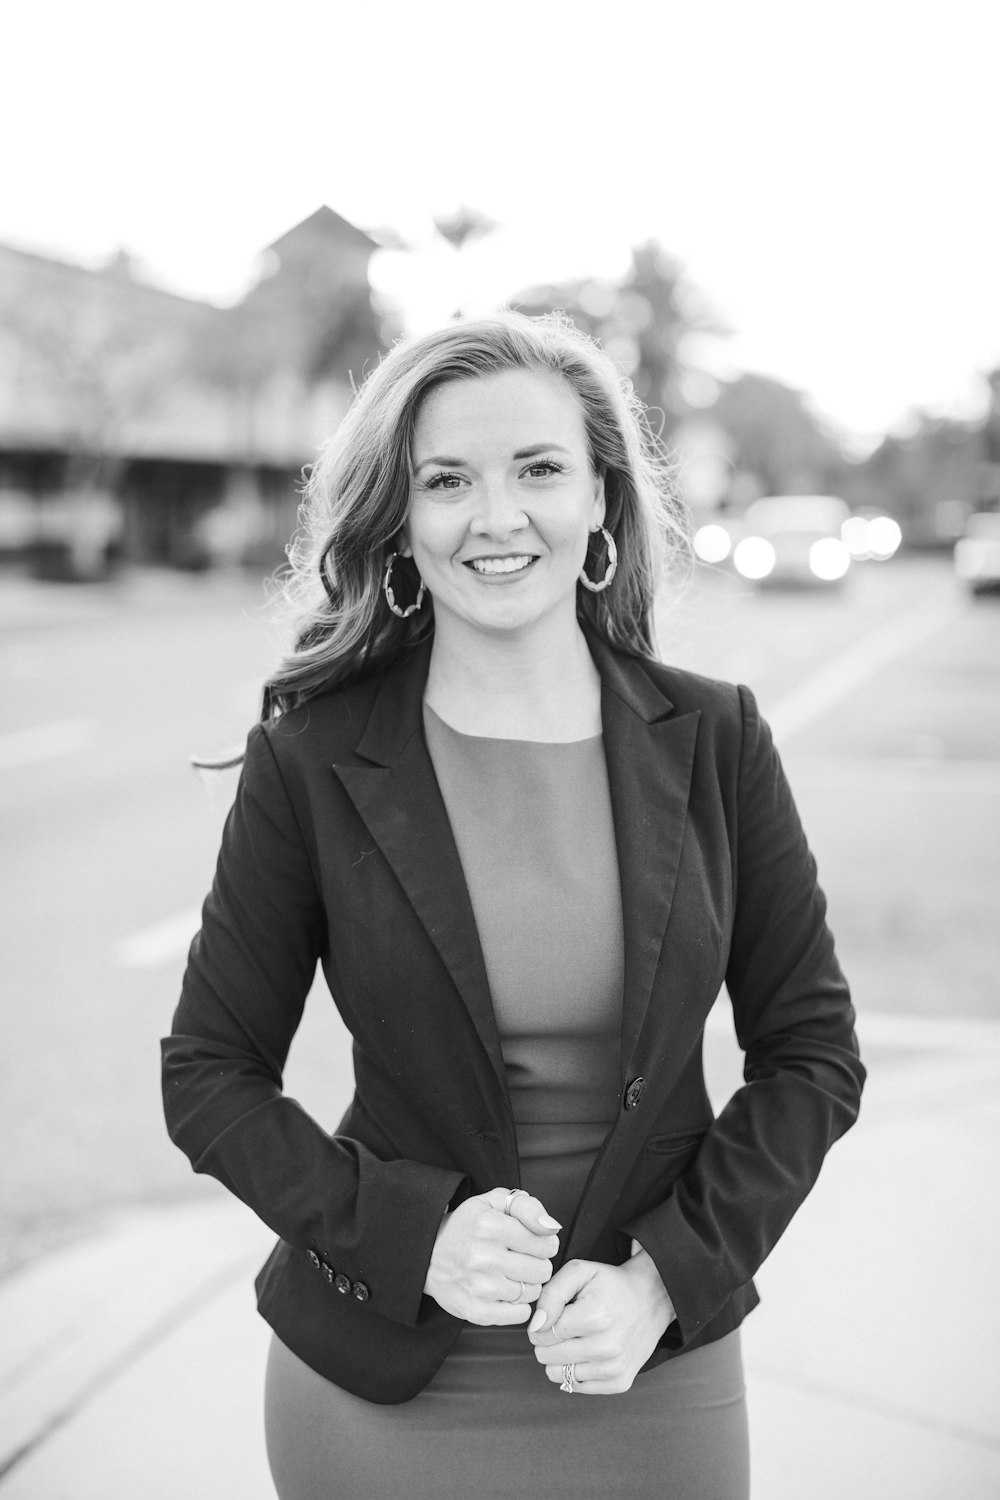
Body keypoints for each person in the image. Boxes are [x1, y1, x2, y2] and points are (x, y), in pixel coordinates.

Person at [162, 311, 864, 1499]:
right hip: (385, 1387)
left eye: (538, 469)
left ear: (600, 499)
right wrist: (409, 1237)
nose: (496, 518)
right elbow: (209, 1074)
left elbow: (810, 1056)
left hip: (647, 1368)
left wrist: (662, 1279)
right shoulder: (313, 760)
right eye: (448, 481)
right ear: (400, 521)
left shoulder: (716, 740)